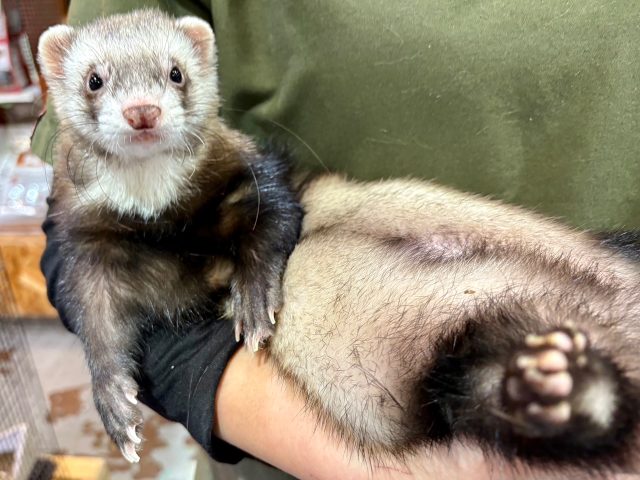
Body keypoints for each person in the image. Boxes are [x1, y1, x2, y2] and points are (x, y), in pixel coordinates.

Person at [32, 1, 640, 478]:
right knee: (459, 368)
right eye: (98, 84)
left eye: (170, 77)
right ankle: (562, 400)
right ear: (59, 78)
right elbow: (76, 260)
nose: (141, 106)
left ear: (198, 64)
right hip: (359, 344)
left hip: (562, 261)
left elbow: (262, 192)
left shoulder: (238, 177)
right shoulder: (98, 193)